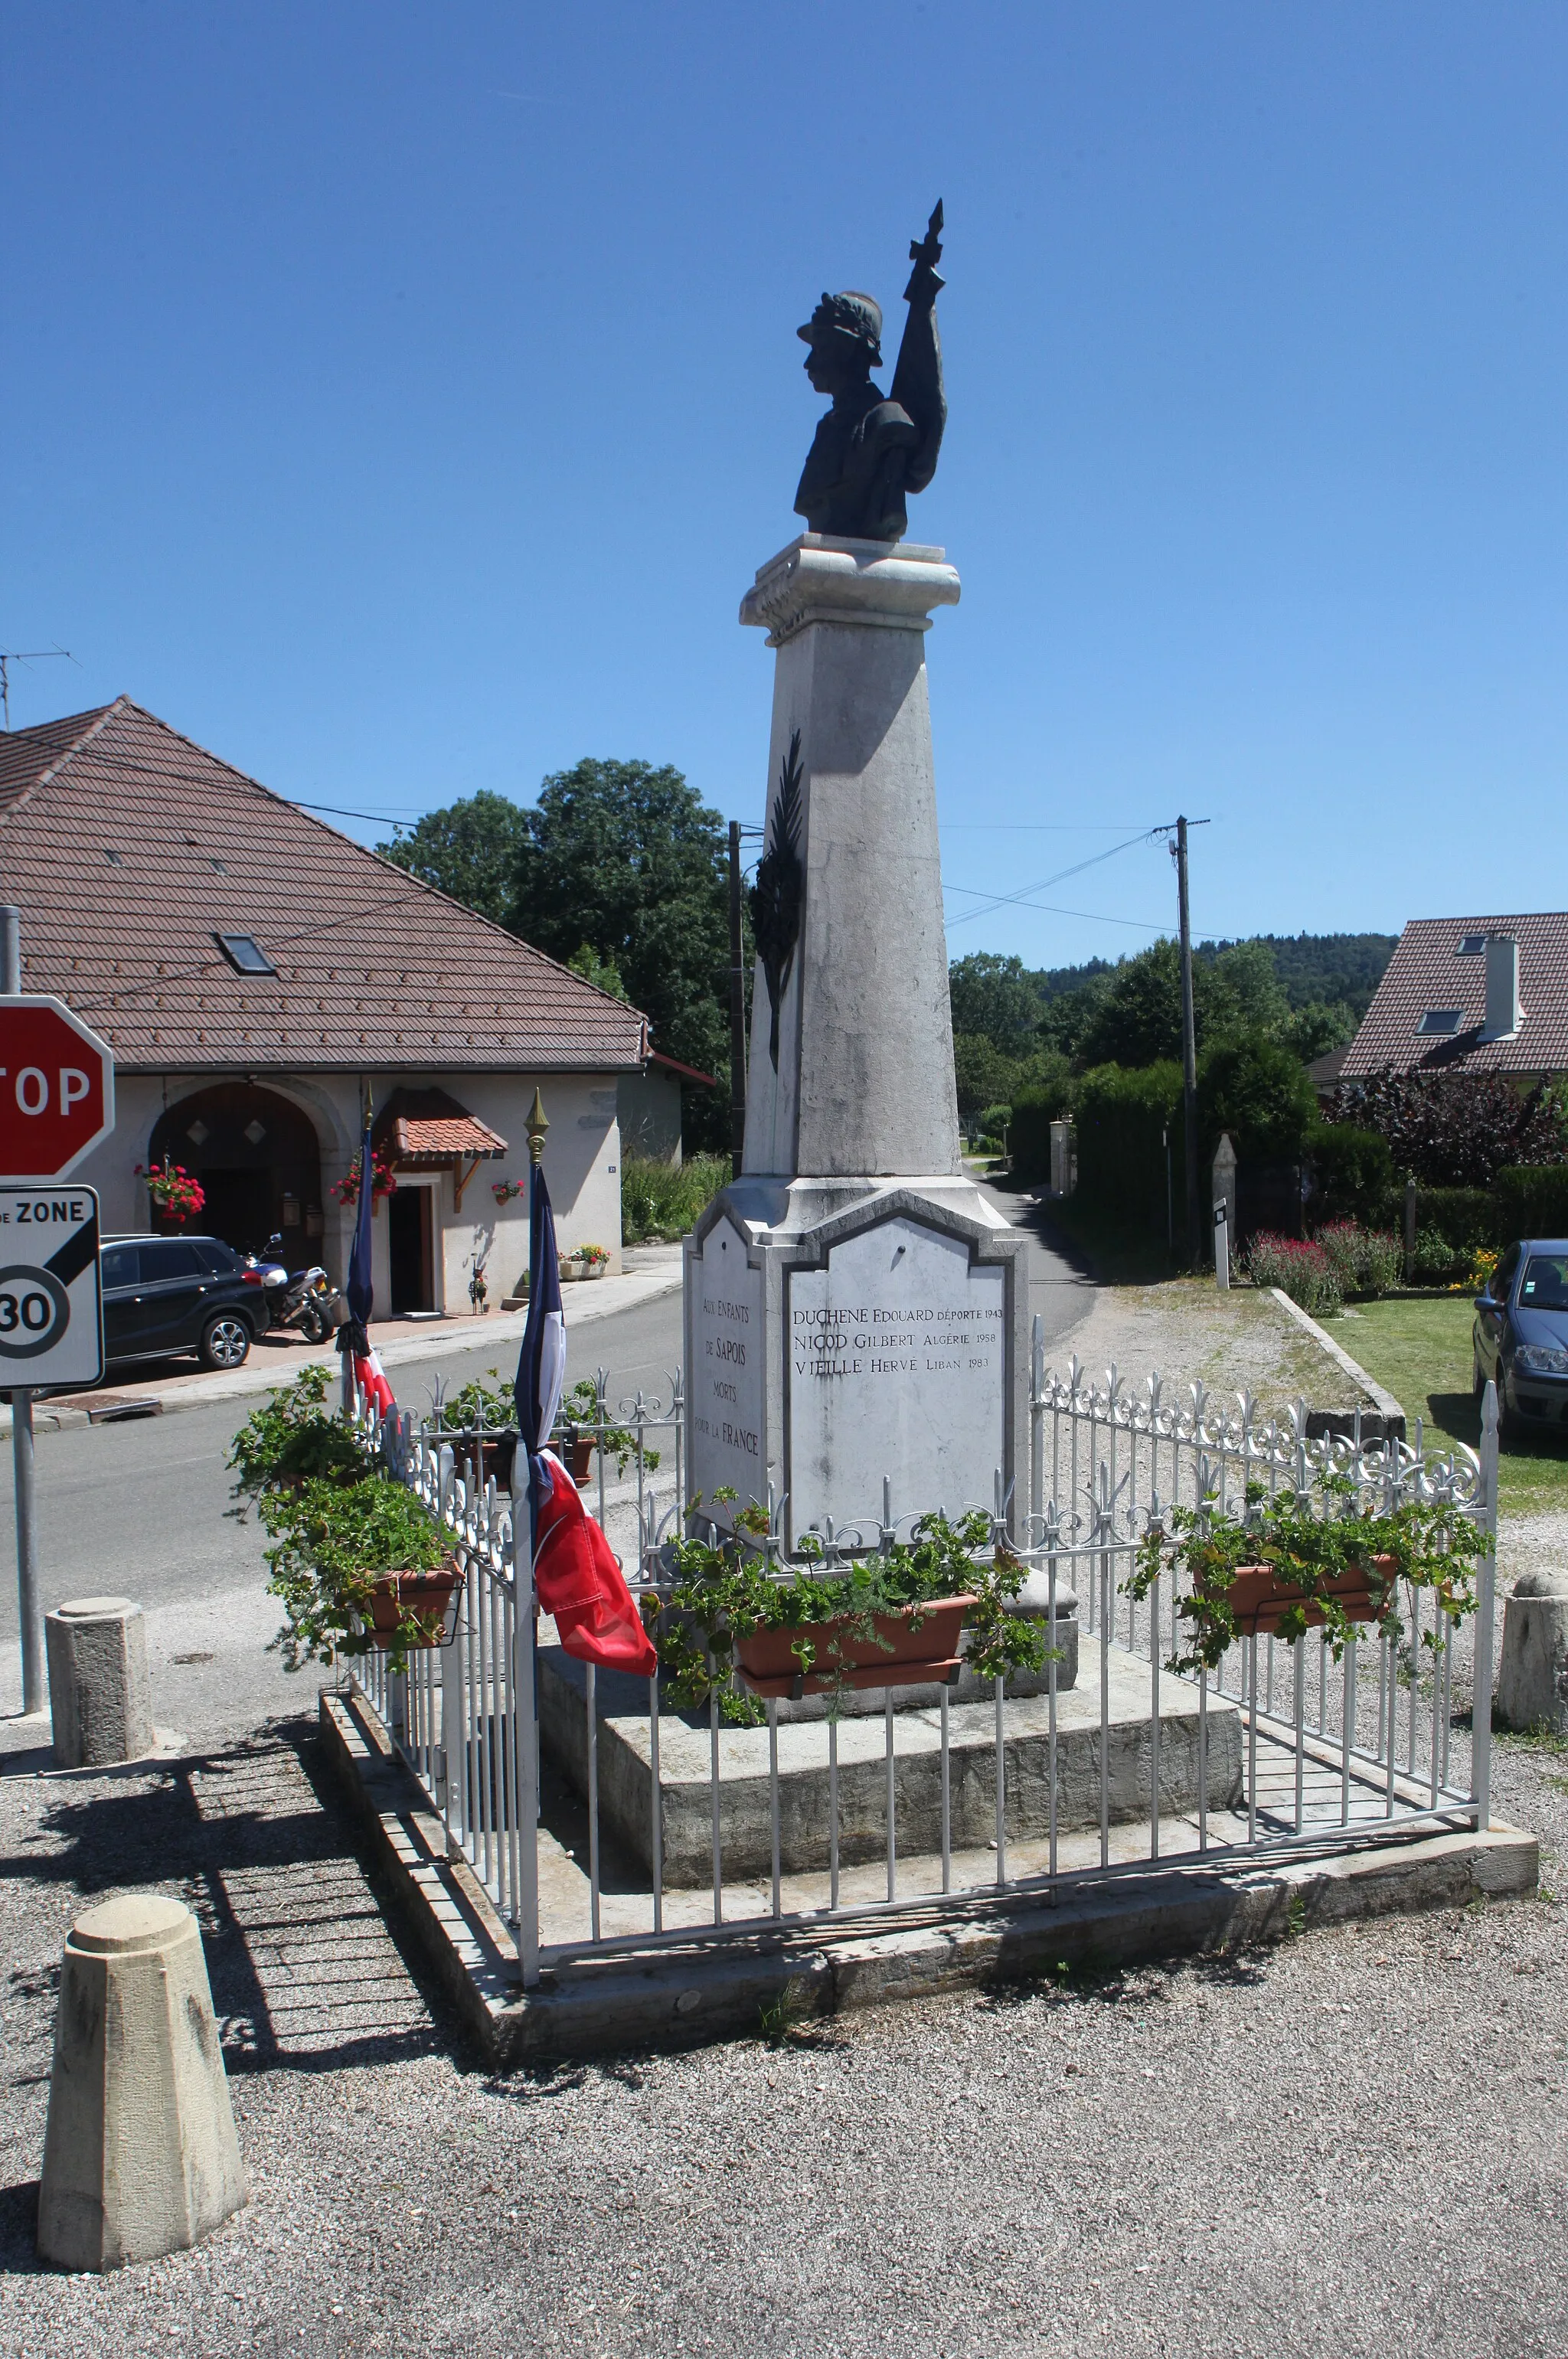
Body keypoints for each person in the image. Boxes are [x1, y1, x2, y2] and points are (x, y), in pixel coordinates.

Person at [792, 207, 947, 544]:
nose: (809, 363)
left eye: (821, 348)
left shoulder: (887, 423)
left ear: (850, 350)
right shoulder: (828, 426)